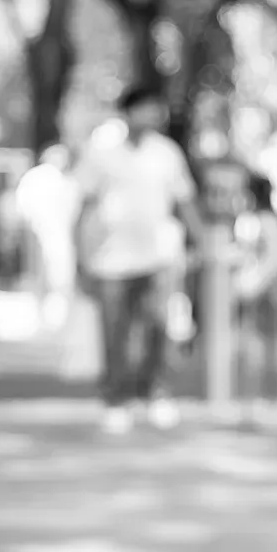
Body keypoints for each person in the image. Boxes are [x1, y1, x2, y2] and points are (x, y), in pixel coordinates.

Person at [75, 86, 203, 435]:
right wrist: (79, 257)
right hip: (110, 259)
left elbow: (185, 200)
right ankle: (115, 400)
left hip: (158, 257)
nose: (153, 116)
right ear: (128, 112)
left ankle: (156, 393)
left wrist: (203, 242)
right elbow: (84, 206)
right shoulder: (100, 152)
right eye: (146, 108)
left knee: (158, 329)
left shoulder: (166, 153)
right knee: (115, 332)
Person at [235, 173, 277, 424]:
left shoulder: (266, 222)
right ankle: (252, 405)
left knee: (265, 351)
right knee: (252, 350)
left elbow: (273, 258)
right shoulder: (253, 220)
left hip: (264, 292)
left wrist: (253, 284)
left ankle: (267, 404)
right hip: (254, 289)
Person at [15, 143, 80, 330]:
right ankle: (44, 315)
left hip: (58, 234)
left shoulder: (65, 180)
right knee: (44, 273)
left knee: (58, 275)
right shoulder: (39, 178)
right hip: (41, 233)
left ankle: (54, 316)